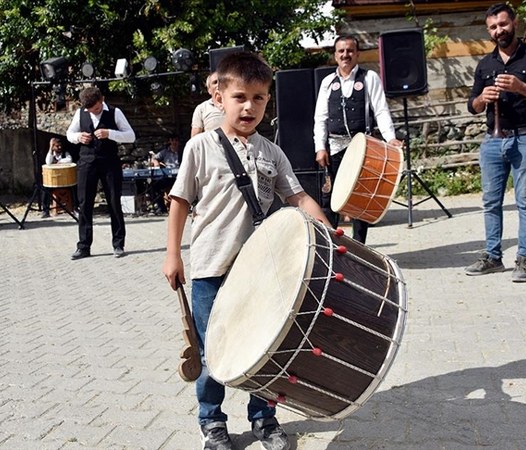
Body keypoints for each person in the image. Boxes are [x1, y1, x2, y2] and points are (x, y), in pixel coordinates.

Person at [162, 51, 330, 450]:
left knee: (266, 346)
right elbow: (180, 202)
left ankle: (264, 418)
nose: (249, 106)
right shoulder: (199, 147)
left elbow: (299, 197)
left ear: (267, 102)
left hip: (261, 270)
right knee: (211, 352)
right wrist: (172, 255)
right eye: (240, 97)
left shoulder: (272, 152)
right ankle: (212, 423)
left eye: (258, 98)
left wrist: (327, 230)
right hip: (210, 268)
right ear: (218, 97)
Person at [464, 2, 526, 282]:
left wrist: (522, 87)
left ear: (514, 23)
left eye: (503, 24)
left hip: (525, 138)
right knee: (491, 203)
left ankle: (524, 259)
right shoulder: (485, 64)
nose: (499, 31)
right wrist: (483, 98)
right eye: (493, 27)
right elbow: (473, 105)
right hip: (492, 142)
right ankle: (493, 257)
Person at [313, 35, 404, 244]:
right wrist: (320, 147)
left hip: (362, 146)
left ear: (357, 54)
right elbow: (321, 118)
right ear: (335, 55)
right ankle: (330, 245)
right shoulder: (328, 82)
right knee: (331, 198)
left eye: (350, 51)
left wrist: (390, 138)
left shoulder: (369, 77)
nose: (346, 55)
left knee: (361, 197)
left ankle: (359, 246)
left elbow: (380, 110)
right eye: (341, 51)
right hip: (335, 146)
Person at [66, 86, 136, 260]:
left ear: (102, 99)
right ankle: (83, 246)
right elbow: (69, 133)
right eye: (91, 110)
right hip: (86, 162)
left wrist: (110, 133)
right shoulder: (80, 113)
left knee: (114, 202)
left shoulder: (115, 112)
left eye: (97, 108)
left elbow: (131, 136)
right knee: (84, 204)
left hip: (109, 162)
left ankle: (118, 244)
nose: (94, 112)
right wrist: (78, 137)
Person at [40, 137, 74, 218]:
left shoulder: (65, 153)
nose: (59, 148)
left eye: (60, 146)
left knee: (74, 187)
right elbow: (48, 162)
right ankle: (45, 210)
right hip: (53, 181)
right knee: (45, 189)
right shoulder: (50, 154)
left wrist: (59, 162)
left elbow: (69, 160)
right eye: (57, 146)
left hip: (65, 180)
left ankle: (75, 208)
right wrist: (50, 149)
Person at [150, 134, 181, 214]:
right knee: (154, 185)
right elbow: (154, 158)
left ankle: (181, 208)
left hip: (180, 177)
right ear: (170, 141)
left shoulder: (182, 152)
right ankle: (161, 208)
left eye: (176, 140)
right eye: (172, 140)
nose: (174, 142)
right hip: (168, 177)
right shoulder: (165, 152)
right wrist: (156, 163)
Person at [190, 72, 224, 137]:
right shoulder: (202, 108)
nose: (218, 85)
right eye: (215, 82)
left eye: (221, 81)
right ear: (209, 90)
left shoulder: (236, 105)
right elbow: (195, 137)